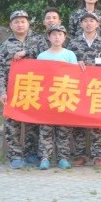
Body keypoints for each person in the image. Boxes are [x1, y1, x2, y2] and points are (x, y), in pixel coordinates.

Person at [0, 10, 42, 169]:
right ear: (11, 25)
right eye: (16, 22)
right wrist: (2, 91)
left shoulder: (38, 40)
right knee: (12, 123)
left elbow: (46, 57)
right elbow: (1, 70)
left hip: (34, 88)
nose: (20, 24)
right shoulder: (5, 45)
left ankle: (31, 153)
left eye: (23, 21)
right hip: (13, 89)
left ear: (28, 23)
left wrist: (26, 52)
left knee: (33, 123)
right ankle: (15, 156)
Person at [67, 11, 101, 168]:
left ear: (97, 24)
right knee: (77, 121)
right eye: (85, 21)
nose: (88, 23)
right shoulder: (73, 43)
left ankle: (98, 155)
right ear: (81, 24)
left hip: (98, 87)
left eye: (92, 21)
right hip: (79, 87)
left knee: (96, 122)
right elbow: (67, 63)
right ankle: (80, 155)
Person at [36, 24, 78, 170]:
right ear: (49, 37)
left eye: (60, 34)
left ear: (64, 37)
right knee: (45, 129)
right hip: (46, 98)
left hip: (64, 97)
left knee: (63, 129)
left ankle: (63, 158)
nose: (57, 37)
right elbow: (38, 77)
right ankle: (45, 158)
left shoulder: (70, 55)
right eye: (54, 34)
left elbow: (75, 76)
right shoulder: (42, 56)